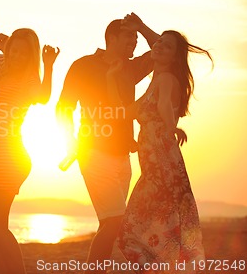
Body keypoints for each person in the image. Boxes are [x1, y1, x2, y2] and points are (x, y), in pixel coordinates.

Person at [56, 14, 161, 273]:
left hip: (122, 157)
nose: (135, 43)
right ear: (111, 38)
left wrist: (142, 27)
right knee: (115, 221)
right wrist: (70, 143)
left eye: (136, 39)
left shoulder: (131, 68)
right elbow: (63, 107)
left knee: (110, 225)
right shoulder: (82, 66)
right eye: (129, 37)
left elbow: (163, 50)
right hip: (92, 153)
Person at [107, 31, 210, 272]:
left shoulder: (166, 79)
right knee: (151, 224)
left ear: (174, 57)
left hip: (162, 163)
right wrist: (111, 78)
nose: (160, 46)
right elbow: (125, 111)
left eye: (167, 46)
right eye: (159, 42)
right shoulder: (157, 79)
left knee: (135, 225)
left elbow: (164, 105)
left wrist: (171, 127)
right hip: (154, 167)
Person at [0, 28, 60, 273]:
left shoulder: (28, 79)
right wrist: (4, 51)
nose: (17, 56)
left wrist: (49, 65)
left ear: (30, 57)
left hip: (9, 158)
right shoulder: (2, 73)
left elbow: (43, 97)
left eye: (24, 53)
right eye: (14, 50)